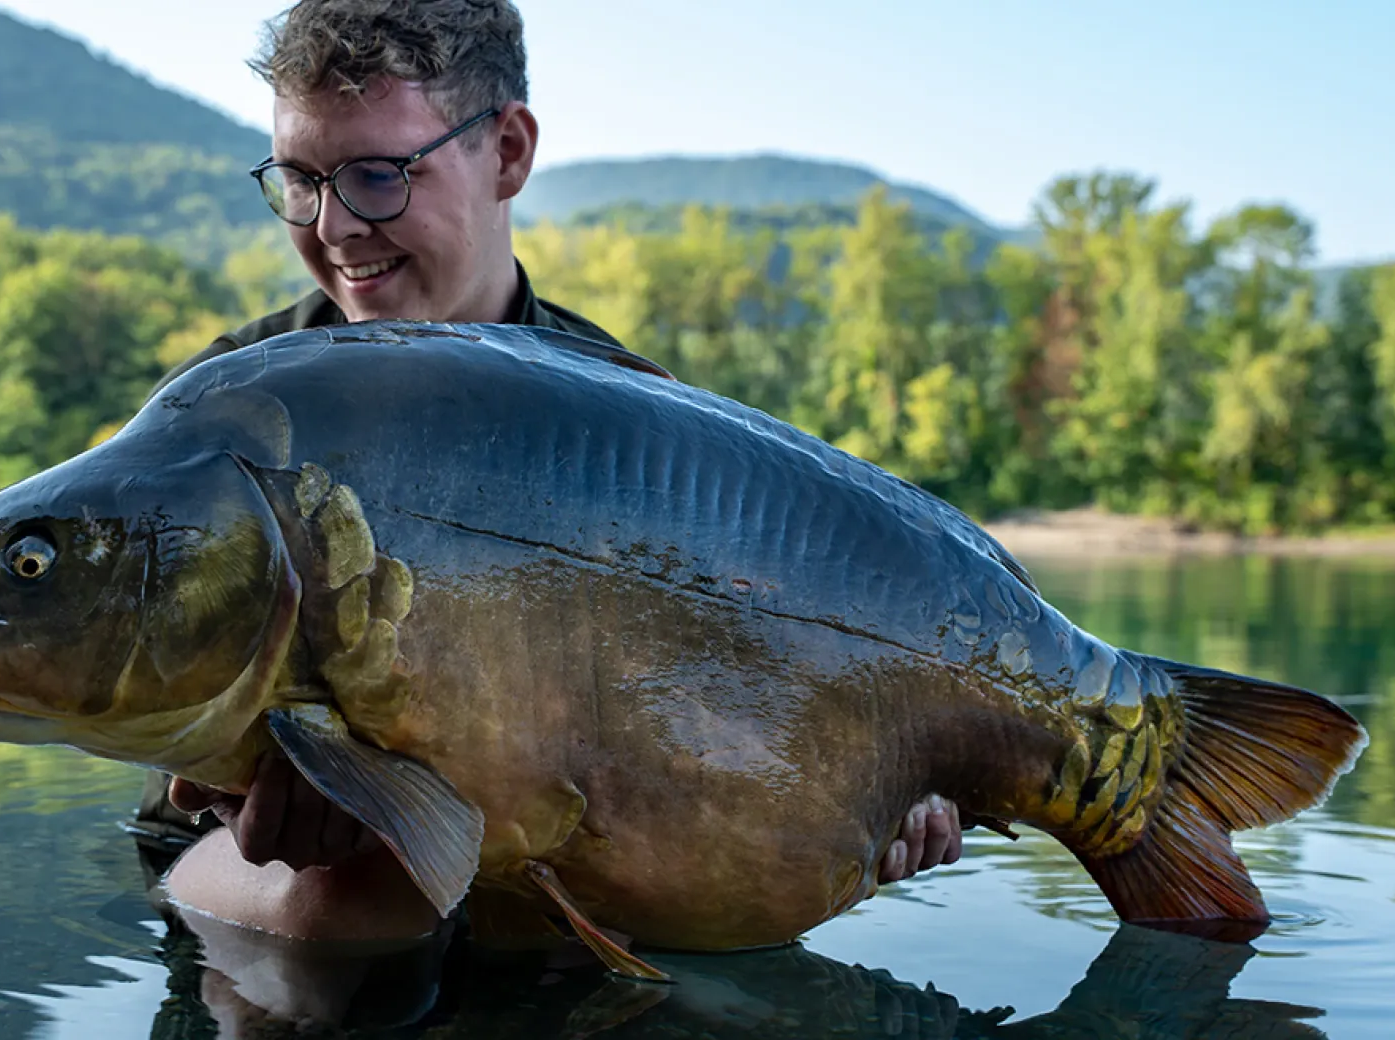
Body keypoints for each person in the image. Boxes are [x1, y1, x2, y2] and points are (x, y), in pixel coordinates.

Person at [128, 0, 964, 942]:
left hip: (530, 903)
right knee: (338, 913)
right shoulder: (228, 407)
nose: (335, 227)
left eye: (376, 175)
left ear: (510, 153)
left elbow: (721, 732)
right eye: (301, 180)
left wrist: (859, 800)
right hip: (246, 894)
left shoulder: (631, 424)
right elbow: (164, 804)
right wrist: (247, 820)